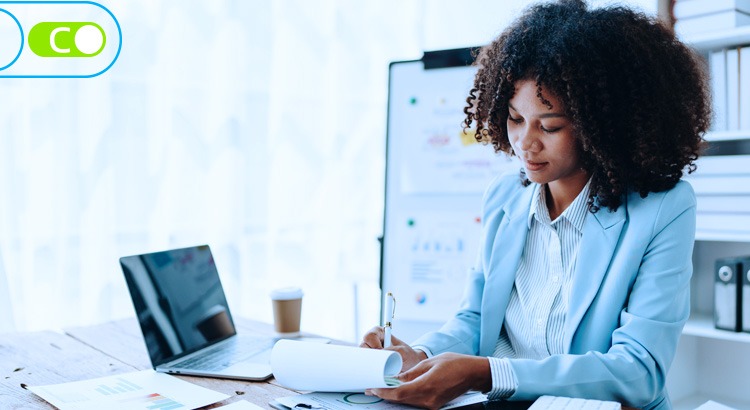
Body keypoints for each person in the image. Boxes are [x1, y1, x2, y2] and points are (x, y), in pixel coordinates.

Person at [360, 1, 711, 409]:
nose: (525, 144)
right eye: (513, 118)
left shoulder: (663, 209)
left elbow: (638, 371)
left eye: (550, 126)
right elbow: (474, 320)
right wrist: (418, 357)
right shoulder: (504, 197)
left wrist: (486, 372)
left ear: (604, 124)